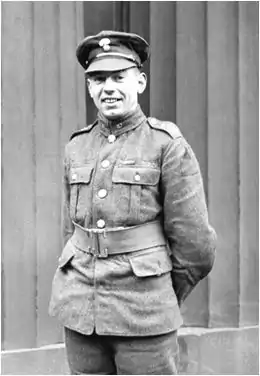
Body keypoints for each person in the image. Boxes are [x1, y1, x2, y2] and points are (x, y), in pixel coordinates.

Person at [49, 30, 217, 375]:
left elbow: (196, 245)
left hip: (144, 312)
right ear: (89, 86)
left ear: (140, 82)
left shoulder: (166, 145)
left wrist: (158, 292)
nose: (108, 87)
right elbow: (71, 229)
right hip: (81, 310)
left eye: (118, 77)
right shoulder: (76, 147)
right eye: (97, 79)